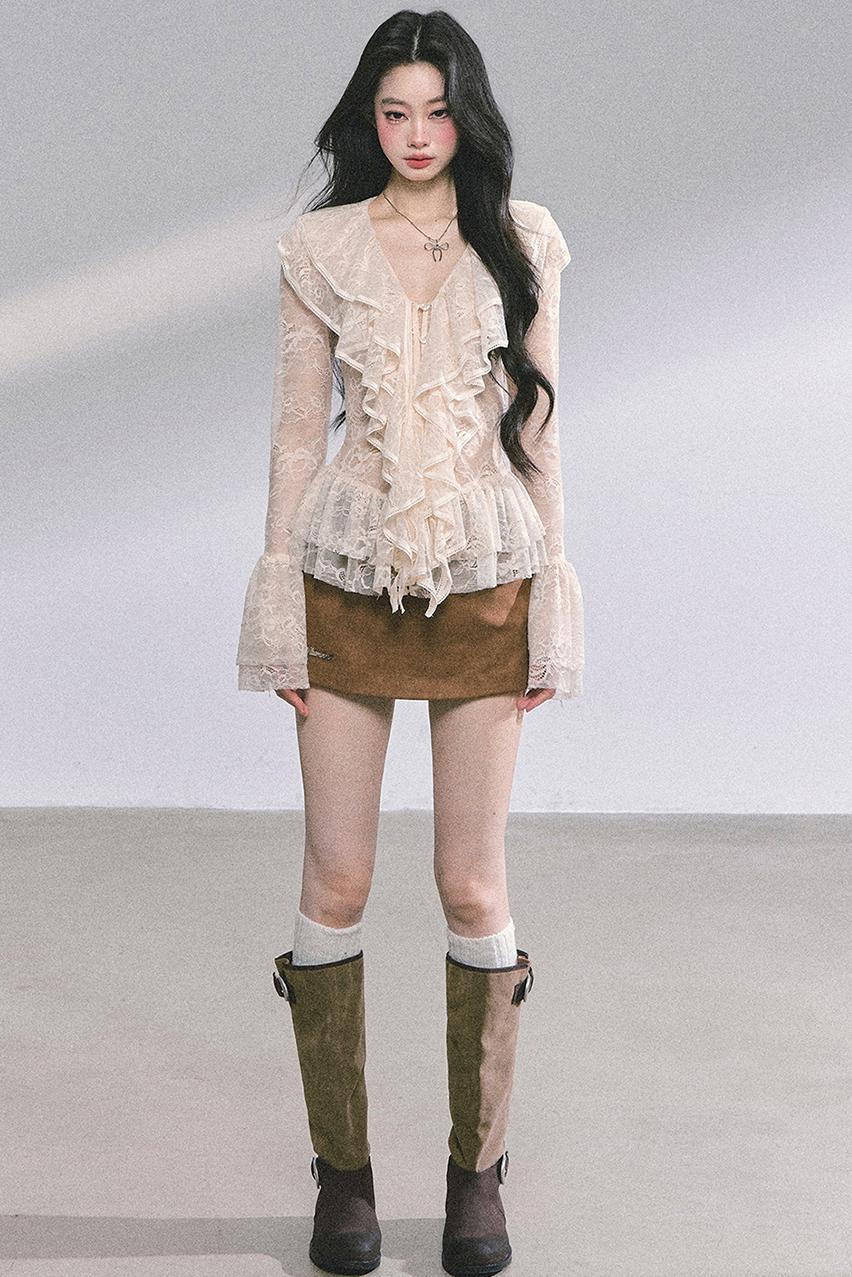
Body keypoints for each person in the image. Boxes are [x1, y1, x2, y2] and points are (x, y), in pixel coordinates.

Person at [235, 11, 585, 1275]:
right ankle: (343, 1178)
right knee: (335, 880)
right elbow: (296, 435)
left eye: (437, 111)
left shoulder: (524, 238)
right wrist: (280, 607)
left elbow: (537, 434)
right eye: (394, 112)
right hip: (345, 581)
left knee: (471, 883)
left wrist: (553, 603)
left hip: (485, 582)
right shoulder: (320, 246)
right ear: (367, 119)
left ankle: (475, 1176)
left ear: (466, 116)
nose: (418, 135)